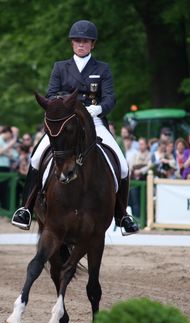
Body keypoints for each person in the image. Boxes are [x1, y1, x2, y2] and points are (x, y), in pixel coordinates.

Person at [12, 20, 138, 234]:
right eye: (77, 41)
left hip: (93, 121)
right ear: (72, 44)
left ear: (92, 44)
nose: (81, 44)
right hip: (65, 122)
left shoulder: (102, 68)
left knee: (123, 165)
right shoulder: (60, 67)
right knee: (35, 158)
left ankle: (122, 215)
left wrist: (96, 110)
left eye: (85, 41)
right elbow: (51, 95)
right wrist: (64, 107)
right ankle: (26, 209)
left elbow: (110, 98)